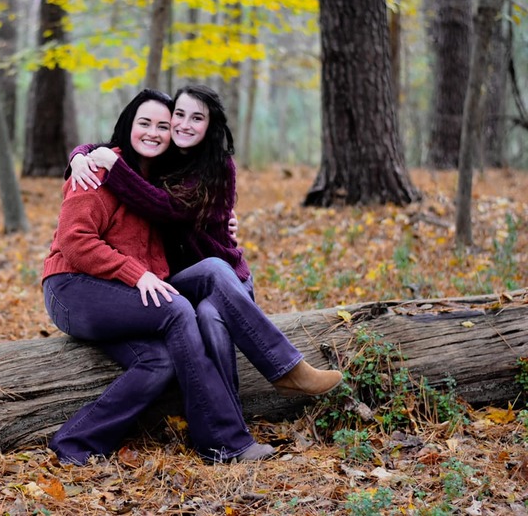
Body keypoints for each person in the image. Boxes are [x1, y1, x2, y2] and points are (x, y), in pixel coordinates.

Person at [43, 88, 274, 465]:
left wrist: (223, 225)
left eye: (163, 126)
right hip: (71, 288)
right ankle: (223, 441)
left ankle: (75, 441)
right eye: (144, 123)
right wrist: (79, 156)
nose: (153, 132)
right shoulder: (98, 170)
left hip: (123, 294)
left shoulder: (162, 180)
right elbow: (74, 241)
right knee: (178, 309)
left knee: (161, 361)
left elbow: (188, 217)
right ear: (128, 126)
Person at [68, 84, 343, 401]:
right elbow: (114, 144)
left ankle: (275, 381)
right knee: (201, 302)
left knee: (212, 315)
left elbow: (167, 208)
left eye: (196, 118)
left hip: (225, 281)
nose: (184, 124)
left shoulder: (219, 167)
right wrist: (79, 157)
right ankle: (236, 422)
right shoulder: (163, 155)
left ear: (210, 125)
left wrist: (114, 169)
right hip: (181, 282)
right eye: (179, 115)